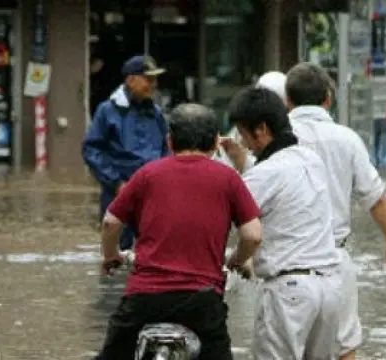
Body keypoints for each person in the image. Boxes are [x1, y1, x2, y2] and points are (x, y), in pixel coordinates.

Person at [251, 63, 386, 360]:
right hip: (334, 262)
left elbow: (249, 200)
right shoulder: (347, 139)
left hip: (285, 266)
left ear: (287, 101)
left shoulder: (273, 139)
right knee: (345, 348)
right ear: (328, 98)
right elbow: (376, 198)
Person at [94, 103, 263, 360]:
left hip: (144, 299)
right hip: (202, 301)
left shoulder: (147, 174)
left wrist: (111, 255)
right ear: (216, 143)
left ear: (170, 141)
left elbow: (110, 222)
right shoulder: (228, 178)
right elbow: (252, 235)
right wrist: (238, 261)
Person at [225, 87, 342, 360]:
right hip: (329, 288)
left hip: (289, 293)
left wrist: (236, 260)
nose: (244, 143)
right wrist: (243, 162)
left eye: (243, 134)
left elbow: (238, 226)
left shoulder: (265, 174)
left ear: (262, 129)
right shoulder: (312, 160)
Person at [82, 55, 170, 250]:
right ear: (131, 80)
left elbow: (166, 148)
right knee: (117, 252)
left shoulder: (155, 112)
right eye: (148, 79)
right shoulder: (107, 111)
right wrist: (116, 182)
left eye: (155, 79)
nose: (153, 85)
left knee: (154, 249)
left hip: (152, 195)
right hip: (118, 193)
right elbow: (91, 150)